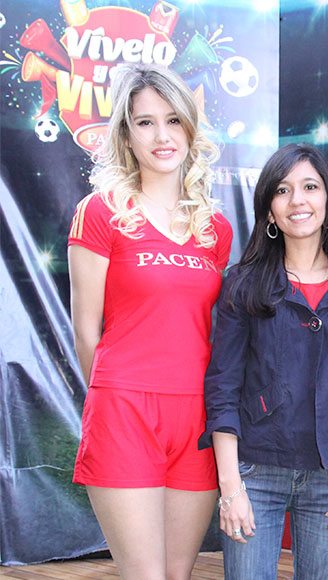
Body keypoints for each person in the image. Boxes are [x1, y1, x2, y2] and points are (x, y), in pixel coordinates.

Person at [67, 63, 232, 580]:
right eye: (145, 122)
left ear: (190, 127)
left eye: (173, 120)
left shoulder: (215, 228)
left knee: (178, 575)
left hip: (197, 419)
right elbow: (86, 330)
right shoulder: (100, 212)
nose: (162, 136)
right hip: (124, 412)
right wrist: (114, 402)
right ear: (126, 133)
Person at [198, 143, 328, 579]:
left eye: (310, 187)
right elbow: (223, 387)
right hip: (255, 473)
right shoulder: (243, 284)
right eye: (282, 190)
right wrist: (231, 486)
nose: (297, 200)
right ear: (269, 210)